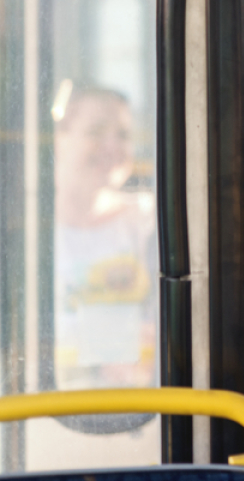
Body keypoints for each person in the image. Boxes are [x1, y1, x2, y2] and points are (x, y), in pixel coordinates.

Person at [53, 86, 157, 390]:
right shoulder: (30, 227)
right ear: (60, 138)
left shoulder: (149, 219)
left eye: (123, 135)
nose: (112, 145)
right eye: (96, 131)